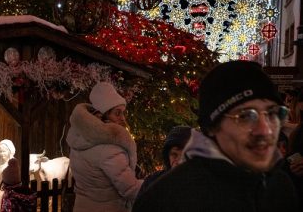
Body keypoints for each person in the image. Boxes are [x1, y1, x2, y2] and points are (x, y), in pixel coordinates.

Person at [133, 61, 300, 212]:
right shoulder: (167, 198)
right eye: (246, 116)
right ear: (212, 127)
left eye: (272, 113)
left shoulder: (279, 184)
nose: (265, 130)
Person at [66, 81, 143, 212]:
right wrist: (155, 184)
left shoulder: (80, 137)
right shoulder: (109, 148)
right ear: (102, 115)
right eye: (117, 113)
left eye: (123, 113)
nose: (123, 119)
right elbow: (130, 189)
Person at [137, 125, 191, 197]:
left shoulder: (204, 185)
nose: (179, 161)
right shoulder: (153, 182)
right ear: (167, 156)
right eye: (174, 154)